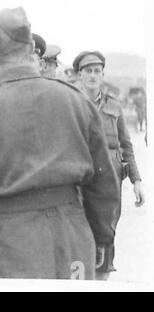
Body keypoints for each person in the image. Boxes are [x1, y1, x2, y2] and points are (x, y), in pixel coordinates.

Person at [0, 7, 120, 280]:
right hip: (73, 238)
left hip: (13, 244)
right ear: (30, 50)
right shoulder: (76, 101)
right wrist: (102, 237)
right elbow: (104, 183)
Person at [74, 50, 145, 280]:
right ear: (79, 75)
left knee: (106, 235)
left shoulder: (114, 107)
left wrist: (137, 180)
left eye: (97, 71)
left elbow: (126, 146)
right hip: (80, 184)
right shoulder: (72, 104)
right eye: (88, 71)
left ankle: (102, 278)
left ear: (103, 75)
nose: (93, 76)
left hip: (110, 186)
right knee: (79, 236)